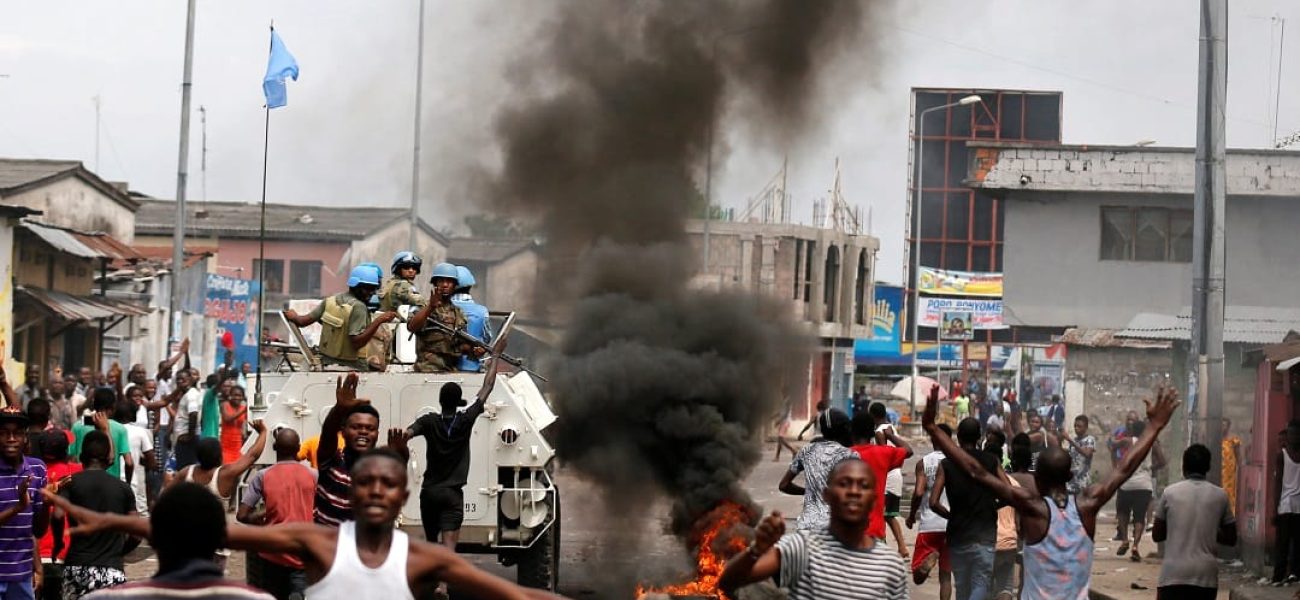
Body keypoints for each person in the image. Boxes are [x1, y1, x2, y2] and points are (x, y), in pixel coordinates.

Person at [49, 451, 561, 600]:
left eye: (388, 484)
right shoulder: (316, 542)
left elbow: (515, 597)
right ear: (348, 493)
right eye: (367, 484)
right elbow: (210, 532)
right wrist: (110, 518)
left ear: (403, 496)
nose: (377, 491)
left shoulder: (428, 561)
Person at [923, 383, 1179, 600]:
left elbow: (975, 471)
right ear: (1069, 477)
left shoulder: (1033, 508)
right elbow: (1124, 468)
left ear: (1039, 479)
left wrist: (933, 428)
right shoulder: (1089, 505)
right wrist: (1154, 425)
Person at [718, 458, 909, 599]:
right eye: (844, 484)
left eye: (863, 485)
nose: (853, 491)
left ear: (874, 500)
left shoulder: (891, 565)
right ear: (826, 495)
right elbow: (729, 582)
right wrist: (756, 550)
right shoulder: (801, 547)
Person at [398, 371, 499, 599]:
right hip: (452, 494)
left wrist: (400, 442)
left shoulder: (429, 421)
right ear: (458, 402)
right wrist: (496, 355)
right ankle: (442, 586)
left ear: (441, 402)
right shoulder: (465, 420)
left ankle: (428, 581)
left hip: (430, 492)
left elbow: (408, 433)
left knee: (432, 542)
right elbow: (487, 387)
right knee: (448, 545)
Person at [79, 483, 275, 600]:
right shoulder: (257, 598)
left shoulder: (104, 598)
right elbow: (306, 539)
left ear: (153, 540)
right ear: (222, 542)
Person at [56, 431, 138, 600]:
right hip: (111, 569)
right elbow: (136, 535)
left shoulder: (70, 482)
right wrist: (118, 553)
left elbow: (57, 515)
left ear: (82, 456)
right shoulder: (123, 488)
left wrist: (58, 544)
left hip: (77, 566)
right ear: (108, 458)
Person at [928, 417, 1002, 600]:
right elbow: (1009, 490)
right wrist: (993, 506)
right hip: (985, 534)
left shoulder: (946, 464)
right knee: (981, 583)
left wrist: (951, 515)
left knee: (961, 586)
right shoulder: (992, 461)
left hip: (958, 534)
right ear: (979, 438)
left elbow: (933, 502)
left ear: (958, 437)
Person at [238, 428, 316, 600]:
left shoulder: (262, 476)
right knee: (301, 591)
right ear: (299, 448)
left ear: (274, 447)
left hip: (273, 550)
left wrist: (259, 517)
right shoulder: (312, 475)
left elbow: (241, 515)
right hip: (302, 550)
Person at [1152, 444, 1236, 600]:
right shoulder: (1220, 495)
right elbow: (1231, 538)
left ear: (1184, 467)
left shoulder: (1170, 493)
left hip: (1173, 574)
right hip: (1205, 576)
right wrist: (1210, 530)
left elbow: (1157, 535)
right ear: (1208, 467)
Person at [283, 265, 398, 371]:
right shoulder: (359, 307)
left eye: (373, 289)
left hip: (327, 361)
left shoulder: (330, 301)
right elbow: (356, 343)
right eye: (367, 289)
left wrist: (294, 316)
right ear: (355, 286)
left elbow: (302, 321)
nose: (371, 293)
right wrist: (379, 320)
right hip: (353, 366)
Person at [312, 374, 386, 528]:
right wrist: (339, 410)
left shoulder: (381, 470)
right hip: (328, 547)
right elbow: (328, 433)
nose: (363, 432)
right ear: (343, 431)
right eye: (356, 427)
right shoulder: (331, 462)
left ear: (377, 434)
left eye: (370, 428)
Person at [779, 409, 856, 533]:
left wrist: (808, 491)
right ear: (843, 430)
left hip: (806, 529)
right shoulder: (850, 455)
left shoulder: (806, 451)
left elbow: (783, 485)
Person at [0, 405, 47, 600]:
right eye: (4, 433)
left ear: (25, 437)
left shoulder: (37, 469)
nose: (11, 439)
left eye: (17, 433)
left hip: (22, 575)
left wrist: (48, 502)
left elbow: (36, 530)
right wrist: (18, 507)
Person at [857, 405, 911, 557]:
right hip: (896, 474)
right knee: (889, 514)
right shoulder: (890, 427)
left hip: (888, 476)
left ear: (873, 415)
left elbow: (883, 455)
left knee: (883, 514)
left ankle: (887, 547)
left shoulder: (879, 432)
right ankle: (901, 546)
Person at [906, 423, 952, 600]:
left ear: (933, 440)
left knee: (917, 576)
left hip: (929, 525)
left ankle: (928, 562)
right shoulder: (955, 462)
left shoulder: (923, 463)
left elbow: (918, 492)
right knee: (946, 576)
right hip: (950, 525)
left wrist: (911, 516)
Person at [170, 422, 268, 504]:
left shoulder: (186, 472)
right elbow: (252, 456)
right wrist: (263, 432)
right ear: (220, 457)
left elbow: (166, 496)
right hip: (216, 527)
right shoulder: (224, 474)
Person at [38, 430, 81, 600]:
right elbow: (106, 460)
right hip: (64, 554)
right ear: (65, 451)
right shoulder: (77, 472)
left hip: (35, 556)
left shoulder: (32, 473)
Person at [405, 263, 470, 374]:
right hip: (427, 369)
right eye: (441, 281)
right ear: (435, 283)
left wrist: (474, 350)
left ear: (454, 285)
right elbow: (412, 327)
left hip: (450, 370)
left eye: (449, 282)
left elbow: (462, 345)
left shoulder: (458, 313)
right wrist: (430, 308)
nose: (445, 285)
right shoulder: (422, 306)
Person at [1115, 419, 1165, 562]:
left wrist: (1117, 465)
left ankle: (1125, 540)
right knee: (1139, 516)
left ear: (1131, 430)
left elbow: (1112, 446)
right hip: (1144, 484)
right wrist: (1149, 469)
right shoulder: (1152, 443)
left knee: (1123, 513)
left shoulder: (1126, 441)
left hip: (1127, 483)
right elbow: (1162, 461)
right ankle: (1135, 546)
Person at [983, 432, 1020, 600]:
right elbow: (1019, 519)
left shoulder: (979, 483)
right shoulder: (1013, 484)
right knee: (1006, 588)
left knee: (985, 588)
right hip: (1009, 542)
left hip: (986, 543)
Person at [69, 390, 131, 482]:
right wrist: (127, 483)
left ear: (93, 405)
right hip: (111, 483)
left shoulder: (77, 426)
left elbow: (72, 458)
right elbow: (129, 462)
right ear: (113, 407)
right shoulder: (120, 429)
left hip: (83, 481)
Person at [112, 398, 154, 517]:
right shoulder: (140, 432)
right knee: (137, 516)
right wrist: (140, 461)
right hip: (132, 482)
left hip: (111, 480)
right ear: (130, 414)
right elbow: (152, 462)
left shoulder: (109, 429)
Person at [451, 266, 492, 372]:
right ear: (470, 287)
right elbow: (487, 338)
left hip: (446, 366)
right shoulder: (482, 311)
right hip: (473, 366)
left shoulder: (440, 308)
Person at [1273, 420, 1300, 585]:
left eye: (1297, 434)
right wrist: (1275, 508)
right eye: (1291, 434)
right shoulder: (1281, 455)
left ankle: (1294, 573)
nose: (1294, 437)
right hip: (1285, 505)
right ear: (1287, 436)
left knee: (1298, 543)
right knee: (1282, 544)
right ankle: (1279, 575)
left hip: (1299, 507)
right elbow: (1277, 484)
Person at [1063, 415, 1096, 495]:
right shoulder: (1074, 440)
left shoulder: (1090, 439)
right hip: (1071, 482)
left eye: (1079, 426)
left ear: (1086, 427)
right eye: (1075, 426)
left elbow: (1087, 454)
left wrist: (1070, 440)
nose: (1076, 428)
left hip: (1082, 482)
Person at [220, 387, 249, 465]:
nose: (237, 398)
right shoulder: (224, 405)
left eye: (239, 396)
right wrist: (243, 411)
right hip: (225, 447)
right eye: (235, 395)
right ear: (230, 396)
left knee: (237, 473)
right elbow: (227, 418)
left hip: (238, 446)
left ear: (243, 397)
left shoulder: (244, 408)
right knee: (226, 470)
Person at [1221, 418, 1242, 516]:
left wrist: (1241, 471)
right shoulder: (1215, 441)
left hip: (1229, 476)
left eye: (1225, 425)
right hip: (1219, 473)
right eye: (1221, 424)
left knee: (1229, 495)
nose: (1223, 427)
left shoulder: (1232, 442)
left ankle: (1230, 515)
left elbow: (1239, 459)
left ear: (1228, 427)